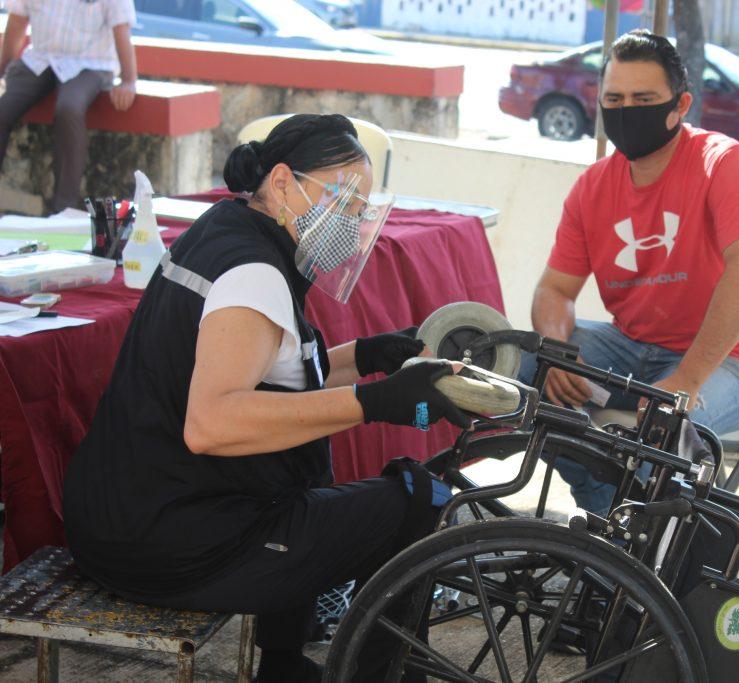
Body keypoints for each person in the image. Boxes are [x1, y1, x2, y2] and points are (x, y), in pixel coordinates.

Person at [62, 114, 470, 682]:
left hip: (119, 523)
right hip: (172, 545)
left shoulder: (227, 228)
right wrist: (373, 403)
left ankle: (281, 665)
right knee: (418, 502)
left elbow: (277, 374)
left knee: (298, 481)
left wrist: (375, 357)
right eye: (344, 203)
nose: (351, 227)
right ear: (282, 182)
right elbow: (213, 423)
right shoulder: (253, 272)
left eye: (359, 212)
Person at [521, 30, 739, 514]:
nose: (627, 111)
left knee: (661, 427)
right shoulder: (592, 187)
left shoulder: (725, 163)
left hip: (736, 361)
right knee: (522, 372)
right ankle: (604, 525)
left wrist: (685, 380)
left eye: (644, 99)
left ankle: (654, 557)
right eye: (614, 99)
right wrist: (559, 355)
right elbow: (555, 290)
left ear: (681, 104)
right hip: (633, 348)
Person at [0, 0, 138, 212]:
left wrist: (128, 81)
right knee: (4, 108)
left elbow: (121, 30)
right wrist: (2, 69)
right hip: (41, 59)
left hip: (91, 64)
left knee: (69, 108)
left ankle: (63, 207)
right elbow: (17, 22)